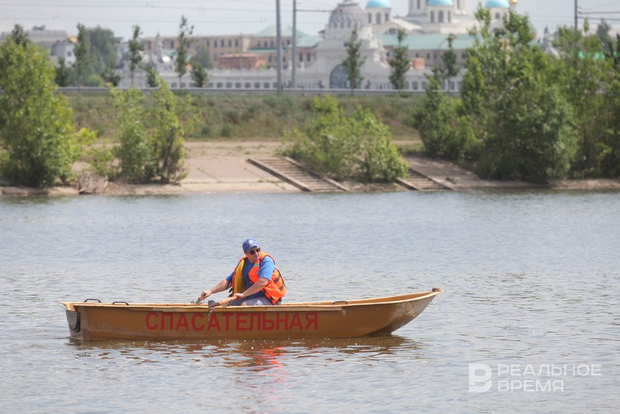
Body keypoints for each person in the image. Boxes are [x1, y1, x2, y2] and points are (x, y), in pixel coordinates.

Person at [199, 238, 286, 306]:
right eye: (252, 252)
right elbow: (228, 282)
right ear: (246, 253)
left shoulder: (266, 261)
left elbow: (262, 282)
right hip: (251, 296)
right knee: (227, 304)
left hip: (270, 299)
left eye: (258, 250)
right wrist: (210, 291)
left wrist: (244, 294)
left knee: (244, 305)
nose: (256, 253)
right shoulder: (244, 264)